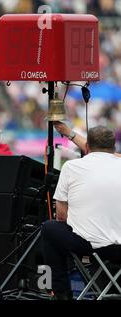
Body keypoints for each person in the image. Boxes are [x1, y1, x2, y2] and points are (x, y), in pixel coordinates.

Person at [41, 125, 121, 300]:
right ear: (114, 148)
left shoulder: (71, 167)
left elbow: (61, 216)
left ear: (87, 148)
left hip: (90, 247)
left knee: (49, 228)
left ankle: (62, 295)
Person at [54, 121, 121, 157]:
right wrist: (69, 132)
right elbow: (103, 153)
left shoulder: (70, 166)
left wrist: (69, 132)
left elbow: (100, 151)